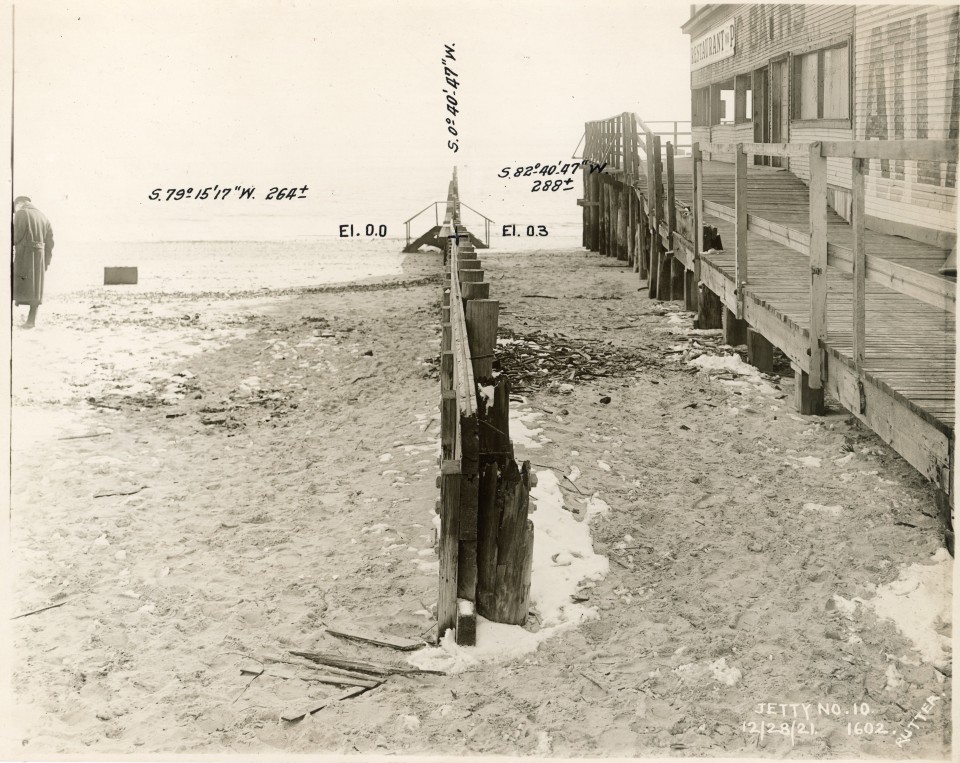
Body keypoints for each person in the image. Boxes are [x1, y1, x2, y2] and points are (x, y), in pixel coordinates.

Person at [12, 195, 54, 328]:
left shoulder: (21, 213)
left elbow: (15, 237)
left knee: (12, 287)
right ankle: (31, 321)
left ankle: (7, 321)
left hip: (24, 256)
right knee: (36, 290)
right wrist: (46, 263)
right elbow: (50, 244)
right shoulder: (43, 217)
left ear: (19, 203)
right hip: (39, 258)